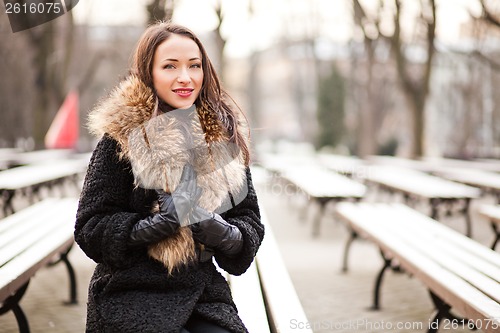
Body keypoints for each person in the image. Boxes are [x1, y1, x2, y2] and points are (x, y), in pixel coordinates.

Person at [75, 21, 265, 333]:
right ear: (148, 72)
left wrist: (222, 233)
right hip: (129, 292)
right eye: (170, 66)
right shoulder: (121, 138)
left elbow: (250, 220)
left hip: (202, 293)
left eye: (194, 65)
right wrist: (155, 227)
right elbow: (90, 226)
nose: (185, 77)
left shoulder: (222, 137)